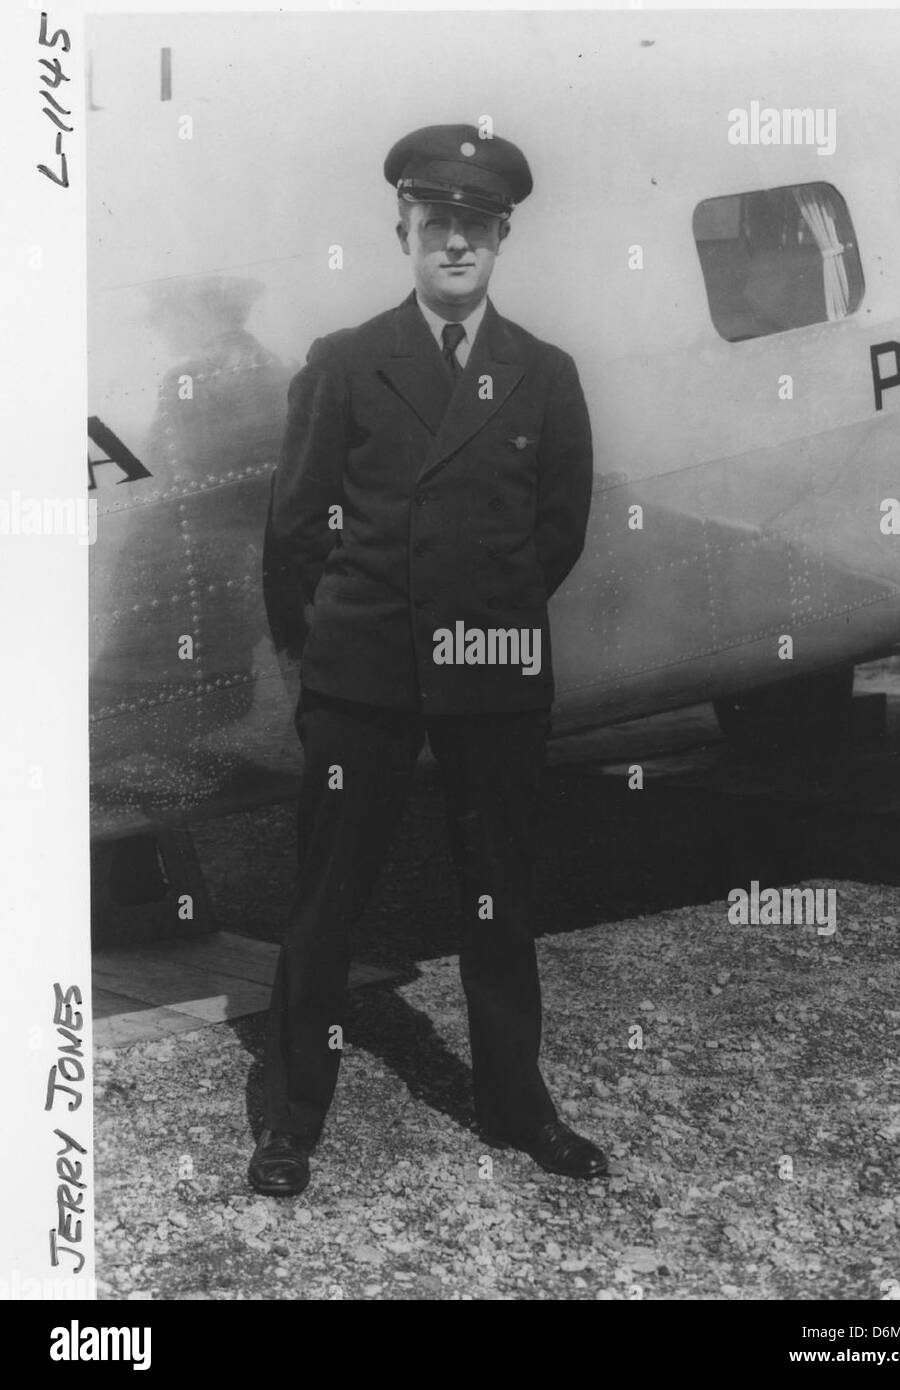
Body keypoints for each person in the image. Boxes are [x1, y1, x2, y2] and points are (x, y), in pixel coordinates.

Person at [250, 124, 604, 1195]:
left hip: (490, 679)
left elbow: (556, 532)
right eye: (435, 223)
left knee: (497, 896)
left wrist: (477, 624)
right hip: (362, 683)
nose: (455, 244)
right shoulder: (348, 362)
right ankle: (289, 1119)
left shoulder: (542, 374)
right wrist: (325, 666)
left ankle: (514, 1102)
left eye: (475, 227)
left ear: (500, 238)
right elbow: (293, 534)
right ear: (403, 230)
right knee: (325, 902)